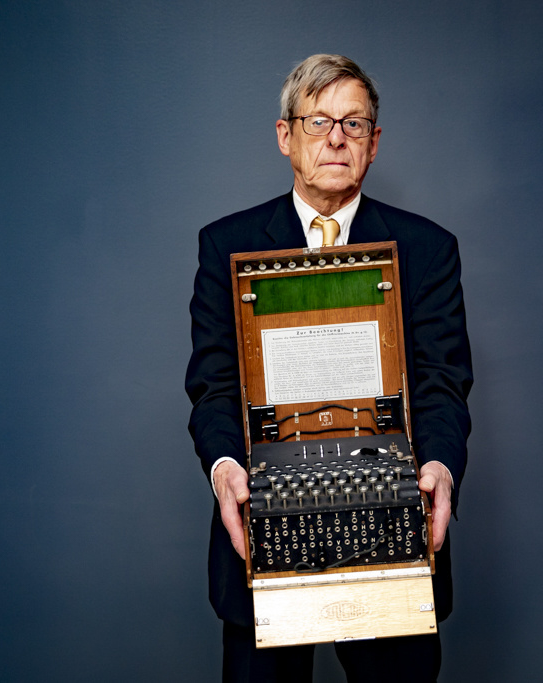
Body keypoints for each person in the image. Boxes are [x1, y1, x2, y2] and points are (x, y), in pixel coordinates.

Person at [185, 54, 473, 683]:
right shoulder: (225, 246)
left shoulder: (428, 250)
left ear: (373, 143)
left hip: (392, 521)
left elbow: (443, 387)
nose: (336, 138)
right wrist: (226, 468)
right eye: (317, 122)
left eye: (353, 123)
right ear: (285, 136)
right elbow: (211, 388)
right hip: (263, 526)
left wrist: (440, 469)